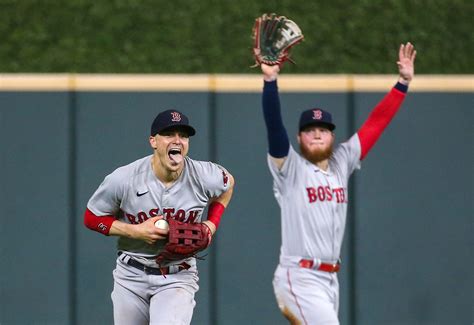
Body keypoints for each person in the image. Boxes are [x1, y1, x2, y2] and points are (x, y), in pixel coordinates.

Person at [260, 43, 416, 324]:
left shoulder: (342, 161)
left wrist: (402, 83)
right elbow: (274, 127)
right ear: (299, 138)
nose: (317, 135)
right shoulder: (290, 168)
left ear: (333, 137)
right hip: (300, 276)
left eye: (323, 130)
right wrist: (270, 81)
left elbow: (375, 124)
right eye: (310, 131)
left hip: (331, 279)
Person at [84, 109, 234, 325]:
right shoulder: (124, 178)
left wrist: (212, 224)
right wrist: (135, 231)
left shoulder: (204, 175)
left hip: (177, 276)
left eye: (183, 135)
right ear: (153, 141)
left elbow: (228, 184)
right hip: (130, 274)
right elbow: (91, 218)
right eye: (169, 134)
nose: (177, 140)